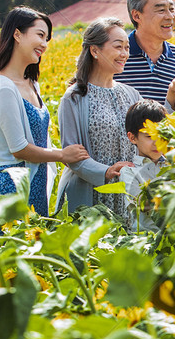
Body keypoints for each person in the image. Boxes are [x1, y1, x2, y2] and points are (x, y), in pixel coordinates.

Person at [0, 6, 88, 216]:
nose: (44, 45)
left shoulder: (32, 83)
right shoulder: (4, 87)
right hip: (14, 186)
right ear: (17, 34)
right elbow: (19, 149)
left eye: (47, 40)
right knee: (14, 246)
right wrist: (62, 155)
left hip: (36, 183)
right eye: (40, 35)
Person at [56, 17, 143, 219]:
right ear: (95, 51)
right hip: (89, 195)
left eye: (127, 47)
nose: (124, 54)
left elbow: (149, 135)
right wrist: (106, 171)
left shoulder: (132, 94)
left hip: (125, 194)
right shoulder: (74, 97)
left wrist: (172, 98)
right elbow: (72, 157)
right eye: (118, 47)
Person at [115, 0, 175, 110]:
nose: (170, 16)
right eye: (161, 10)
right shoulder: (118, 55)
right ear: (137, 16)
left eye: (172, 9)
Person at [122, 99, 167, 232]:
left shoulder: (172, 165)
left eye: (161, 135)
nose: (156, 142)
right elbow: (143, 204)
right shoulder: (129, 171)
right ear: (132, 138)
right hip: (144, 242)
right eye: (149, 136)